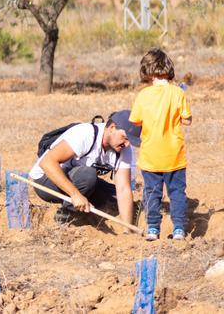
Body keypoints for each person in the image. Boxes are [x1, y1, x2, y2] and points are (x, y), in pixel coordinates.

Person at [30, 111, 138, 227]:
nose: (127, 144)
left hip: (79, 179)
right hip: (46, 179)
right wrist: (75, 195)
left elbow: (123, 189)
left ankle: (83, 208)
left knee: (115, 198)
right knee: (88, 175)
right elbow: (47, 163)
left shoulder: (124, 148)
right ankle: (66, 215)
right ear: (112, 128)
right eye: (125, 138)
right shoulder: (85, 134)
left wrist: (128, 228)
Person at [130, 48, 192, 241]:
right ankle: (180, 228)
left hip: (150, 155)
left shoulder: (143, 95)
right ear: (168, 68)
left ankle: (153, 229)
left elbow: (135, 121)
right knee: (176, 192)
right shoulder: (178, 93)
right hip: (174, 155)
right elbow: (187, 120)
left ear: (146, 70)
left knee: (152, 192)